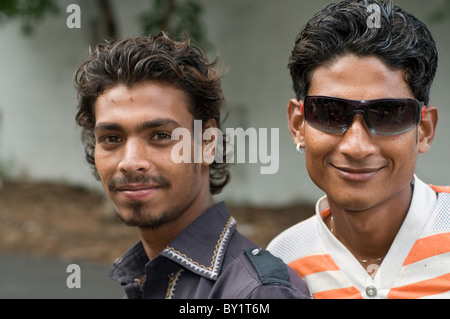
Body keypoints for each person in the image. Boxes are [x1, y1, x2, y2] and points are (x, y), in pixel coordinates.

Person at [73, 32, 309, 299]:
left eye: (161, 136)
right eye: (112, 138)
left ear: (208, 143)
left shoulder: (256, 293)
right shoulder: (146, 277)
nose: (130, 162)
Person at [267, 0, 450, 299]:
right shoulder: (281, 267)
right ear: (298, 124)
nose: (356, 146)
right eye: (330, 112)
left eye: (388, 114)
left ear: (424, 130)